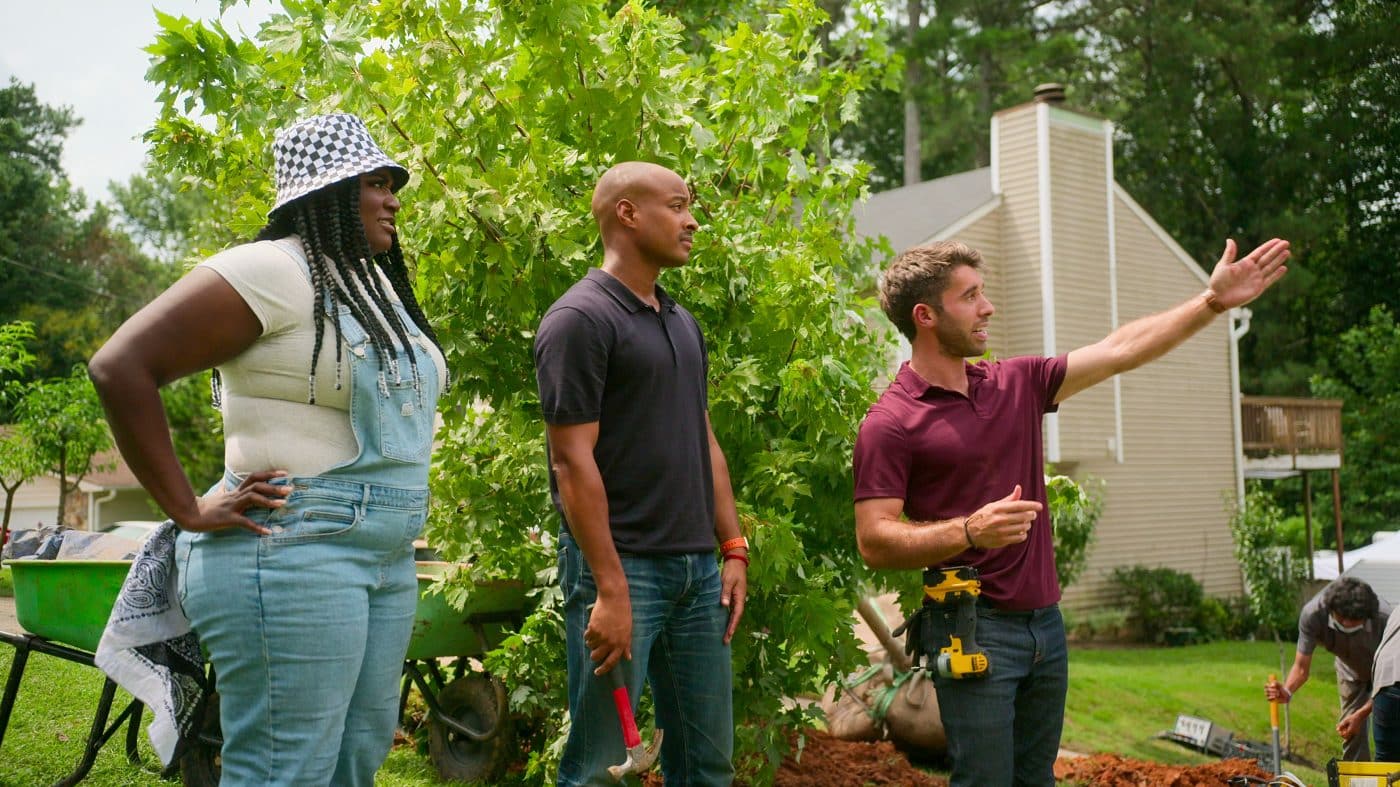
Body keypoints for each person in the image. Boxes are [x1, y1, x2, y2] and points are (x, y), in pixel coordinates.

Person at [853, 236, 1290, 786]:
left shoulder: (1015, 383)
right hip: (970, 629)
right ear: (926, 316)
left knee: (1036, 780)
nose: (988, 307)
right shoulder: (891, 422)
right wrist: (969, 531)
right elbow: (875, 538)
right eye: (970, 297)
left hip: (1046, 628)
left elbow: (1120, 349)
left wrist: (1213, 302)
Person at [88, 113, 445, 786]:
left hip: (385, 557)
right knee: (287, 769)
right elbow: (121, 365)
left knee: (354, 761)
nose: (395, 197)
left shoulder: (373, 288)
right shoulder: (269, 269)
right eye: (377, 182)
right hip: (293, 549)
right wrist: (187, 507)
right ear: (329, 192)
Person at [533, 161, 748, 786]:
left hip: (696, 574)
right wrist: (611, 587)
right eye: (678, 206)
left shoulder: (679, 320)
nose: (692, 220)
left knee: (708, 765)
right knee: (600, 767)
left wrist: (731, 545)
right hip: (623, 571)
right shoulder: (580, 320)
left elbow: (701, 437)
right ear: (628, 213)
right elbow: (570, 462)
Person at [1265, 577, 1392, 761]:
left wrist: (1362, 713)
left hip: (1389, 672)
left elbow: (1392, 681)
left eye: (1355, 624)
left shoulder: (1385, 618)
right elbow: (1301, 668)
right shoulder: (1313, 615)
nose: (1347, 627)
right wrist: (1287, 690)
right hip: (1350, 672)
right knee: (1350, 732)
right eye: (1342, 622)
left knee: (1390, 730)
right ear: (1331, 611)